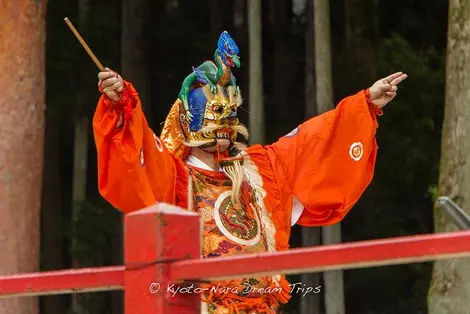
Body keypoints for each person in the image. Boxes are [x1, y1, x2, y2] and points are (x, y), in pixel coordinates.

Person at [92, 31, 407, 314]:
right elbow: (137, 150)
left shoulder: (260, 171)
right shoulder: (175, 177)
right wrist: (121, 105)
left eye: (230, 114)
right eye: (215, 114)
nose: (224, 125)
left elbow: (314, 141)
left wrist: (364, 105)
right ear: (189, 119)